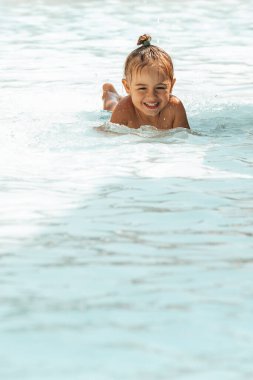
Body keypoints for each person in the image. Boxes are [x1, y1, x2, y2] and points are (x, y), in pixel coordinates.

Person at [102, 34, 190, 130]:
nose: (151, 96)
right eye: (142, 88)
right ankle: (110, 93)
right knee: (110, 107)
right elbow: (109, 135)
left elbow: (184, 138)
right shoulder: (124, 110)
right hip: (121, 106)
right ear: (127, 87)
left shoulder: (174, 108)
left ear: (171, 86)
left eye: (160, 87)